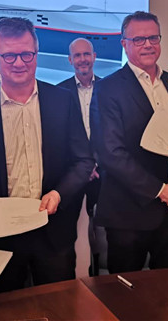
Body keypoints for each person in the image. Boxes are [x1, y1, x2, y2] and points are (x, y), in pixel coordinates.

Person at [0, 17, 94, 293]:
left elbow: (83, 160)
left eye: (26, 54)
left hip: (53, 231)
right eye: (9, 56)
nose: (19, 63)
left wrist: (59, 194)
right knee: (5, 309)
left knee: (59, 306)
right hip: (0, 235)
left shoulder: (62, 100)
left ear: (36, 54)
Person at [90, 11, 168, 273]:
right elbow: (110, 153)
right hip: (129, 213)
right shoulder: (108, 88)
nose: (147, 45)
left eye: (153, 38)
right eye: (138, 39)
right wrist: (161, 190)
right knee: (126, 291)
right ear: (124, 44)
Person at [56, 37, 104, 275]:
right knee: (65, 235)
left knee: (104, 232)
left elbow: (114, 131)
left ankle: (102, 283)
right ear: (70, 60)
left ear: (94, 56)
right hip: (72, 174)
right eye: (77, 55)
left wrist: (97, 163)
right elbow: (59, 137)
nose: (83, 59)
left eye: (86, 54)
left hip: (104, 172)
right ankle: (68, 284)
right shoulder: (59, 92)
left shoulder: (109, 88)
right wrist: (84, 167)